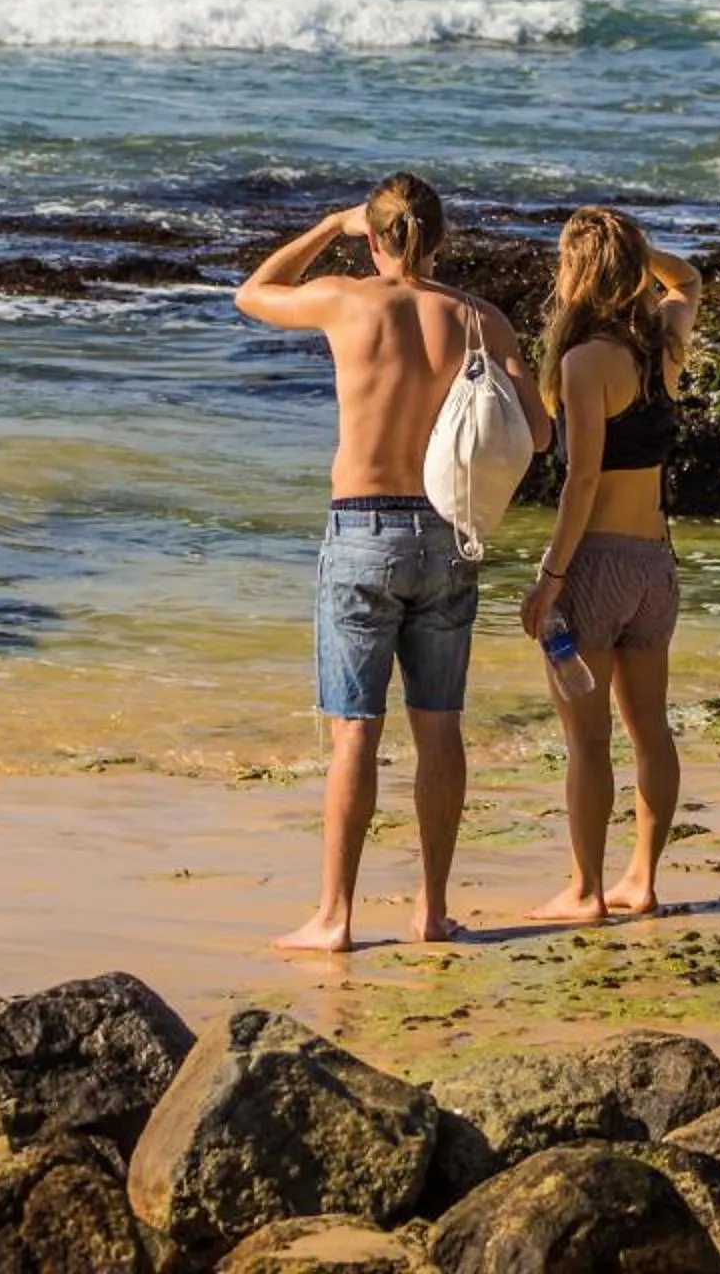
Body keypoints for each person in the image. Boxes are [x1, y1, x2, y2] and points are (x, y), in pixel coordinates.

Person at [234, 172, 547, 952]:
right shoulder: (480, 319)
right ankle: (431, 911)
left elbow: (255, 291)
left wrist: (327, 227)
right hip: (447, 532)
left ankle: (336, 917)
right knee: (439, 729)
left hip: (361, 530)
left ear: (373, 238)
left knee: (355, 735)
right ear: (441, 239)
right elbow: (539, 435)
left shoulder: (345, 300)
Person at [518, 207, 702, 923]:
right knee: (650, 728)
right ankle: (643, 881)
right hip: (656, 562)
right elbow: (685, 278)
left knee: (588, 740)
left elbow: (581, 482)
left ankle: (587, 891)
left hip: (595, 564)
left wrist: (551, 577)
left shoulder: (581, 362)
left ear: (578, 272)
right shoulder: (663, 344)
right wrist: (637, 254)